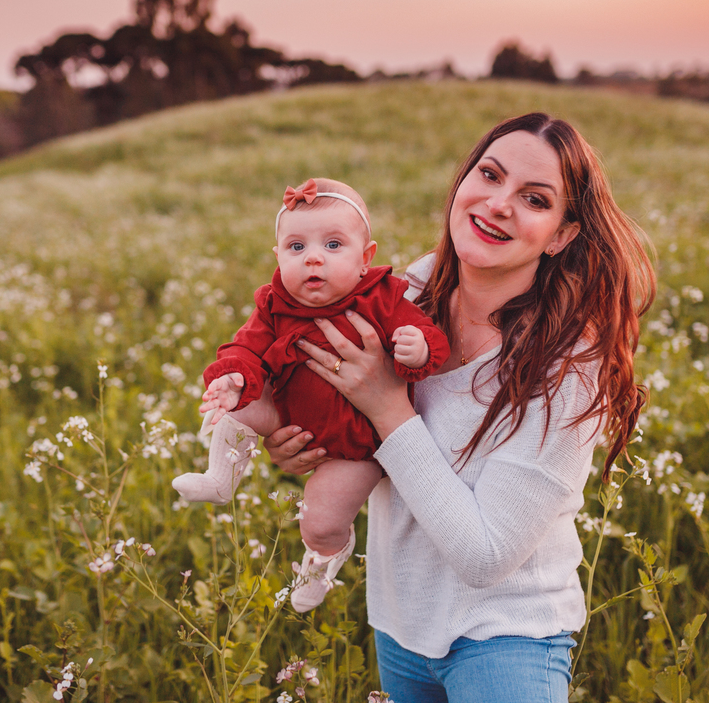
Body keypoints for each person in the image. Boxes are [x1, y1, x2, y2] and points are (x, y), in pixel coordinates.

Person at [263, 113, 655, 702]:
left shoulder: (570, 360)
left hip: (508, 643)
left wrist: (387, 406)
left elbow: (485, 556)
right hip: (400, 626)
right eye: (489, 175)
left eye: (534, 198)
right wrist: (301, 440)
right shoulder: (405, 293)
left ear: (561, 235)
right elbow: (337, 409)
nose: (498, 204)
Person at [172, 178, 450, 612]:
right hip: (290, 415)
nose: (313, 257)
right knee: (240, 408)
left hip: (355, 445)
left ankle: (323, 558)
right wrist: (233, 379)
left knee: (319, 520)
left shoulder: (383, 298)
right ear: (278, 257)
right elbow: (246, 348)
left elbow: (428, 336)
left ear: (366, 257)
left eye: (334, 245)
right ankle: (220, 480)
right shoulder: (273, 304)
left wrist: (420, 348)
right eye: (296, 247)